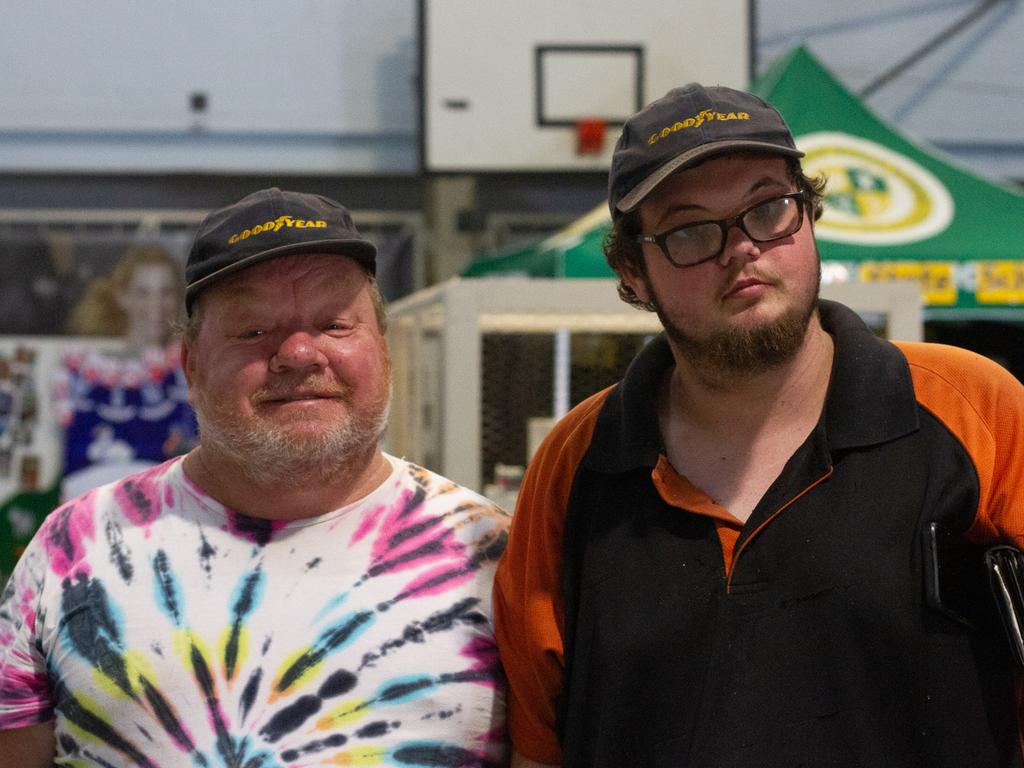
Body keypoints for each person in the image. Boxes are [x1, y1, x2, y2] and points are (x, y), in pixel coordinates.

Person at [493, 84, 1024, 767]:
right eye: (688, 231)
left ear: (810, 217)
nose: (740, 248)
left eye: (768, 208)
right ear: (633, 272)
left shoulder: (973, 407)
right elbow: (540, 746)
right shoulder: (577, 462)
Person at [0, 188, 510, 767]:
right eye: (252, 331)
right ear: (191, 365)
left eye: (335, 324)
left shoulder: (493, 554)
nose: (297, 352)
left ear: (385, 353)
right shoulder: (74, 549)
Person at [56, 244, 197, 499]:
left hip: (166, 508)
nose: (155, 303)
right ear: (123, 297)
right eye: (143, 292)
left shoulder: (192, 367)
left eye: (166, 292)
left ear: (179, 297)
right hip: (90, 509)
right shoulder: (80, 367)